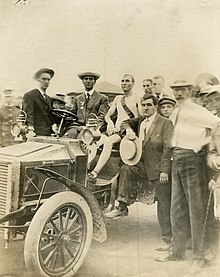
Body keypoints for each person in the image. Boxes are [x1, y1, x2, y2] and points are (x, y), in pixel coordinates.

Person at [156, 80, 220, 274]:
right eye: (175, 90)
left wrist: (208, 146)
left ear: (190, 91)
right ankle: (177, 251)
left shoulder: (197, 110)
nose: (178, 94)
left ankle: (200, 256)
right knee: (176, 209)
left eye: (182, 90)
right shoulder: (176, 111)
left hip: (193, 160)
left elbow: (217, 125)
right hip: (177, 160)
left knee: (196, 209)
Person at [105, 94, 173, 250]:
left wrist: (164, 171)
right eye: (144, 105)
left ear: (156, 106)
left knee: (164, 204)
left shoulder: (165, 123)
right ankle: (122, 206)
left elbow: (168, 149)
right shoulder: (141, 120)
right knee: (126, 168)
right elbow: (124, 122)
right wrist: (128, 129)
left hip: (158, 169)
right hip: (142, 165)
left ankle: (167, 238)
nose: (146, 107)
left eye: (149, 105)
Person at [88, 74, 141, 181]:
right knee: (94, 141)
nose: (124, 83)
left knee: (108, 142)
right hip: (115, 130)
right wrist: (110, 123)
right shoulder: (118, 98)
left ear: (133, 84)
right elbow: (107, 115)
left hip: (126, 132)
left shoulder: (137, 98)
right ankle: (86, 167)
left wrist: (129, 128)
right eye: (122, 81)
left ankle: (95, 172)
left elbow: (139, 118)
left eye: (127, 81)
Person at [65, 71, 109, 138]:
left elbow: (101, 117)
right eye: (86, 79)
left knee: (83, 138)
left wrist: (90, 127)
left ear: (95, 81)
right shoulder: (77, 99)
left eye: (91, 79)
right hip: (76, 127)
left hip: (93, 127)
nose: (88, 81)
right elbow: (72, 115)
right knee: (67, 137)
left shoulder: (102, 98)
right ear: (82, 81)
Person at [22, 68, 55, 137]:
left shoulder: (48, 99)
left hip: (48, 133)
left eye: (48, 80)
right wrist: (30, 130)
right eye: (44, 79)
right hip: (35, 133)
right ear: (37, 80)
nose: (46, 82)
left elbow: (50, 116)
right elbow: (28, 113)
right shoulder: (30, 95)